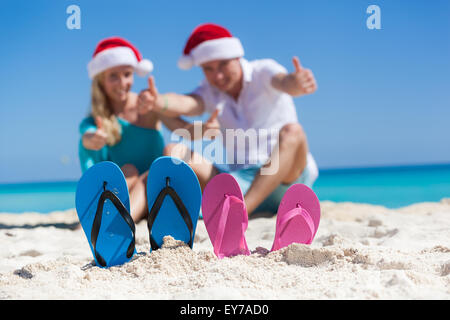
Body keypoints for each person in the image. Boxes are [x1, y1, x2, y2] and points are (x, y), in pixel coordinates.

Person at [138, 23, 319, 216]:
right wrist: (159, 101)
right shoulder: (209, 90)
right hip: (241, 181)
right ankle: (193, 209)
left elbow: (284, 82)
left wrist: (297, 83)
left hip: (285, 177)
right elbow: (187, 103)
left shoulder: (263, 71)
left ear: (237, 57)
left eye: (223, 64)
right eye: (208, 69)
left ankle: (240, 212)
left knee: (293, 131)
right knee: (174, 151)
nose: (218, 75)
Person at [79, 36, 191, 222]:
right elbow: (86, 137)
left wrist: (206, 128)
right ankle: (110, 215)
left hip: (159, 188)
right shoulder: (96, 118)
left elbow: (183, 128)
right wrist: (95, 138)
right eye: (113, 76)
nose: (122, 83)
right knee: (128, 171)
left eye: (127, 74)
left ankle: (118, 223)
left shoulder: (146, 104)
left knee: (157, 168)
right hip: (127, 195)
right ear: (101, 80)